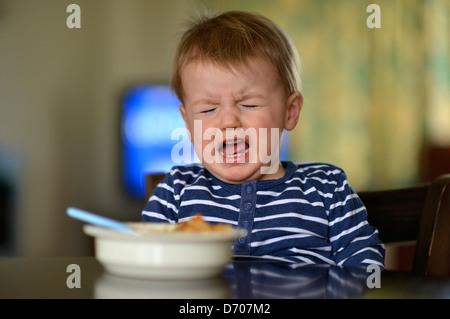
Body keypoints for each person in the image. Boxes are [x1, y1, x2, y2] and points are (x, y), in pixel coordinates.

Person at [142, 11, 385, 268]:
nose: (228, 122)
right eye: (207, 110)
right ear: (188, 123)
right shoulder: (176, 192)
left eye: (248, 104)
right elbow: (146, 269)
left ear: (289, 112)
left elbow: (364, 268)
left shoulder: (327, 189)